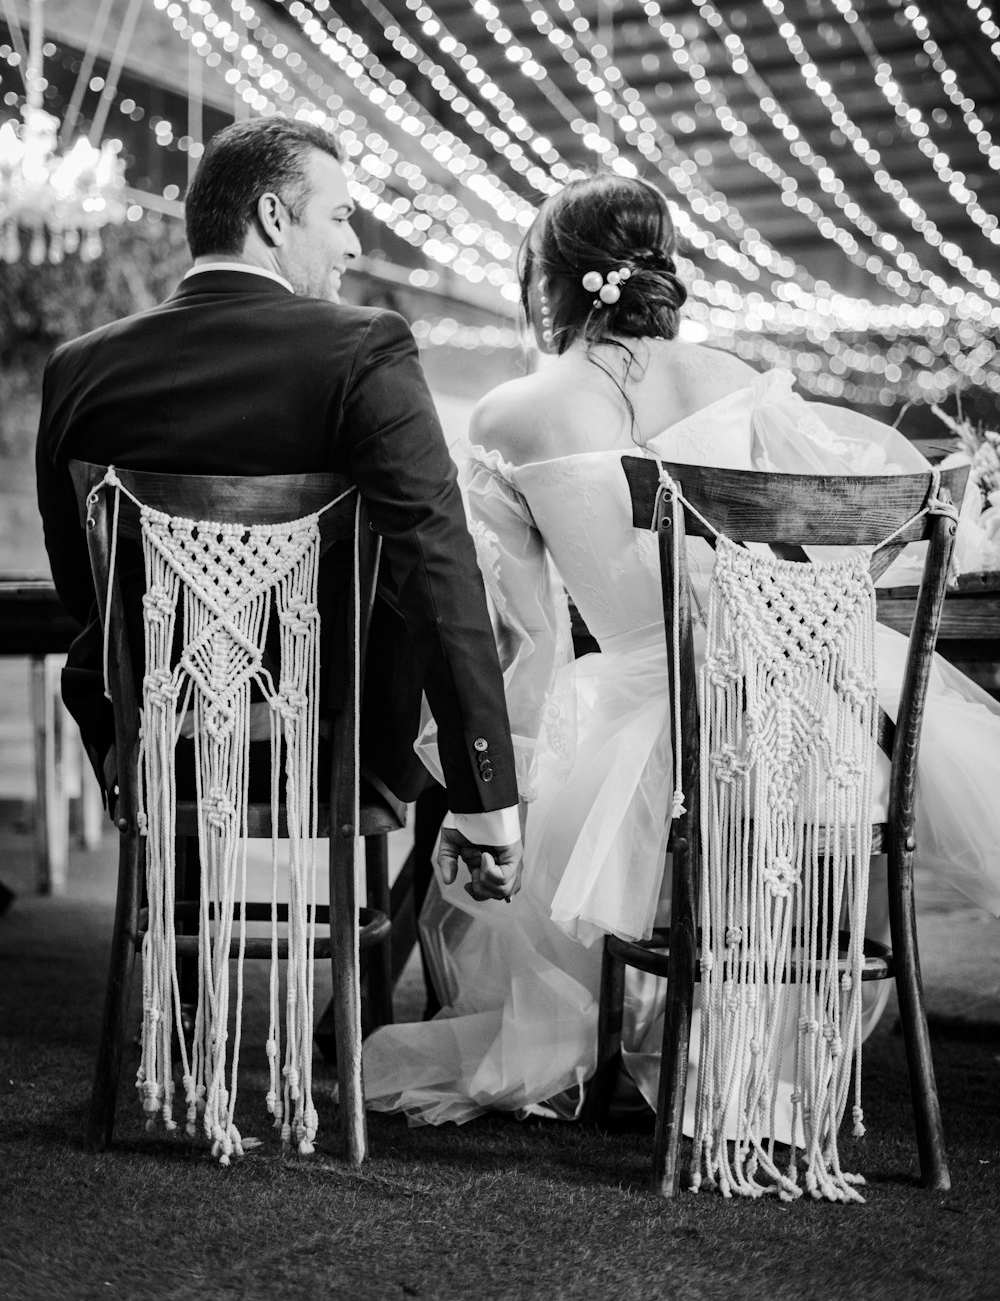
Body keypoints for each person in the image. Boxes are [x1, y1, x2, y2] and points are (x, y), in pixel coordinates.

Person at [363, 172, 1000, 1135]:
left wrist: (504, 789)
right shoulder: (735, 382)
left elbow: (521, 636)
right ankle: (773, 1040)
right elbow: (909, 488)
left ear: (554, 280)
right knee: (780, 782)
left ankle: (623, 1028)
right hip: (821, 719)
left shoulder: (510, 415)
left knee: (579, 788)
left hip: (651, 719)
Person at [35, 115, 522, 903]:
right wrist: (487, 797)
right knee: (462, 624)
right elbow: (437, 564)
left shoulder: (77, 368)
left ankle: (179, 960)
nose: (354, 244)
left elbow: (75, 582)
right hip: (330, 746)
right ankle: (369, 979)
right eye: (338, 216)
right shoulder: (366, 347)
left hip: (153, 741)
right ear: (271, 217)